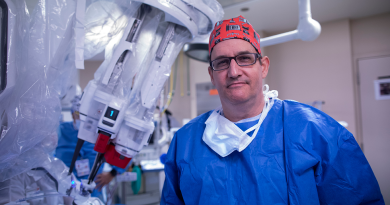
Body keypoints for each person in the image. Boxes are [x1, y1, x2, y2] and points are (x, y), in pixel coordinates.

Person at [161, 16, 384, 204]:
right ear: (211, 75)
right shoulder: (185, 141)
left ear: (264, 66)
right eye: (221, 62)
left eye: (245, 59)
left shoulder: (315, 130)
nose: (234, 71)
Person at [55, 96, 120, 197]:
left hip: (93, 190)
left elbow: (121, 152)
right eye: (78, 114)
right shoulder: (61, 131)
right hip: (65, 190)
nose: (82, 118)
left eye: (86, 115)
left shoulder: (99, 134)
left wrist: (112, 174)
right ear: (72, 114)